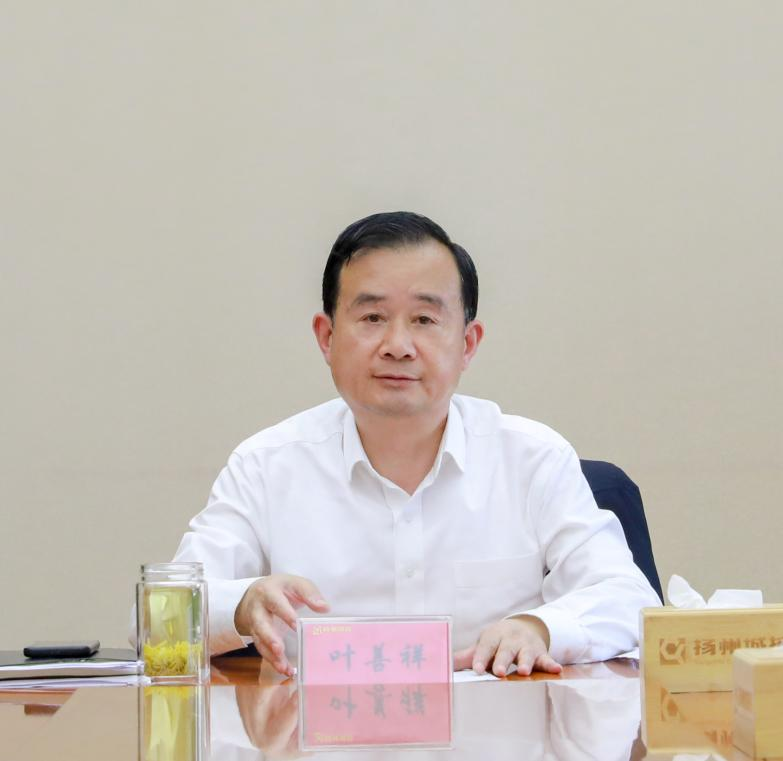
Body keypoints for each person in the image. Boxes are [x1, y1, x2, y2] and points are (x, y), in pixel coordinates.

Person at [172, 211, 660, 678]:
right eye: (372, 317)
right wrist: (242, 605)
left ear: (468, 343)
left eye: (425, 320)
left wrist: (539, 628)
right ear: (326, 337)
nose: (398, 346)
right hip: (320, 730)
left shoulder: (533, 460)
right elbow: (163, 616)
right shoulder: (265, 466)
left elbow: (630, 601)